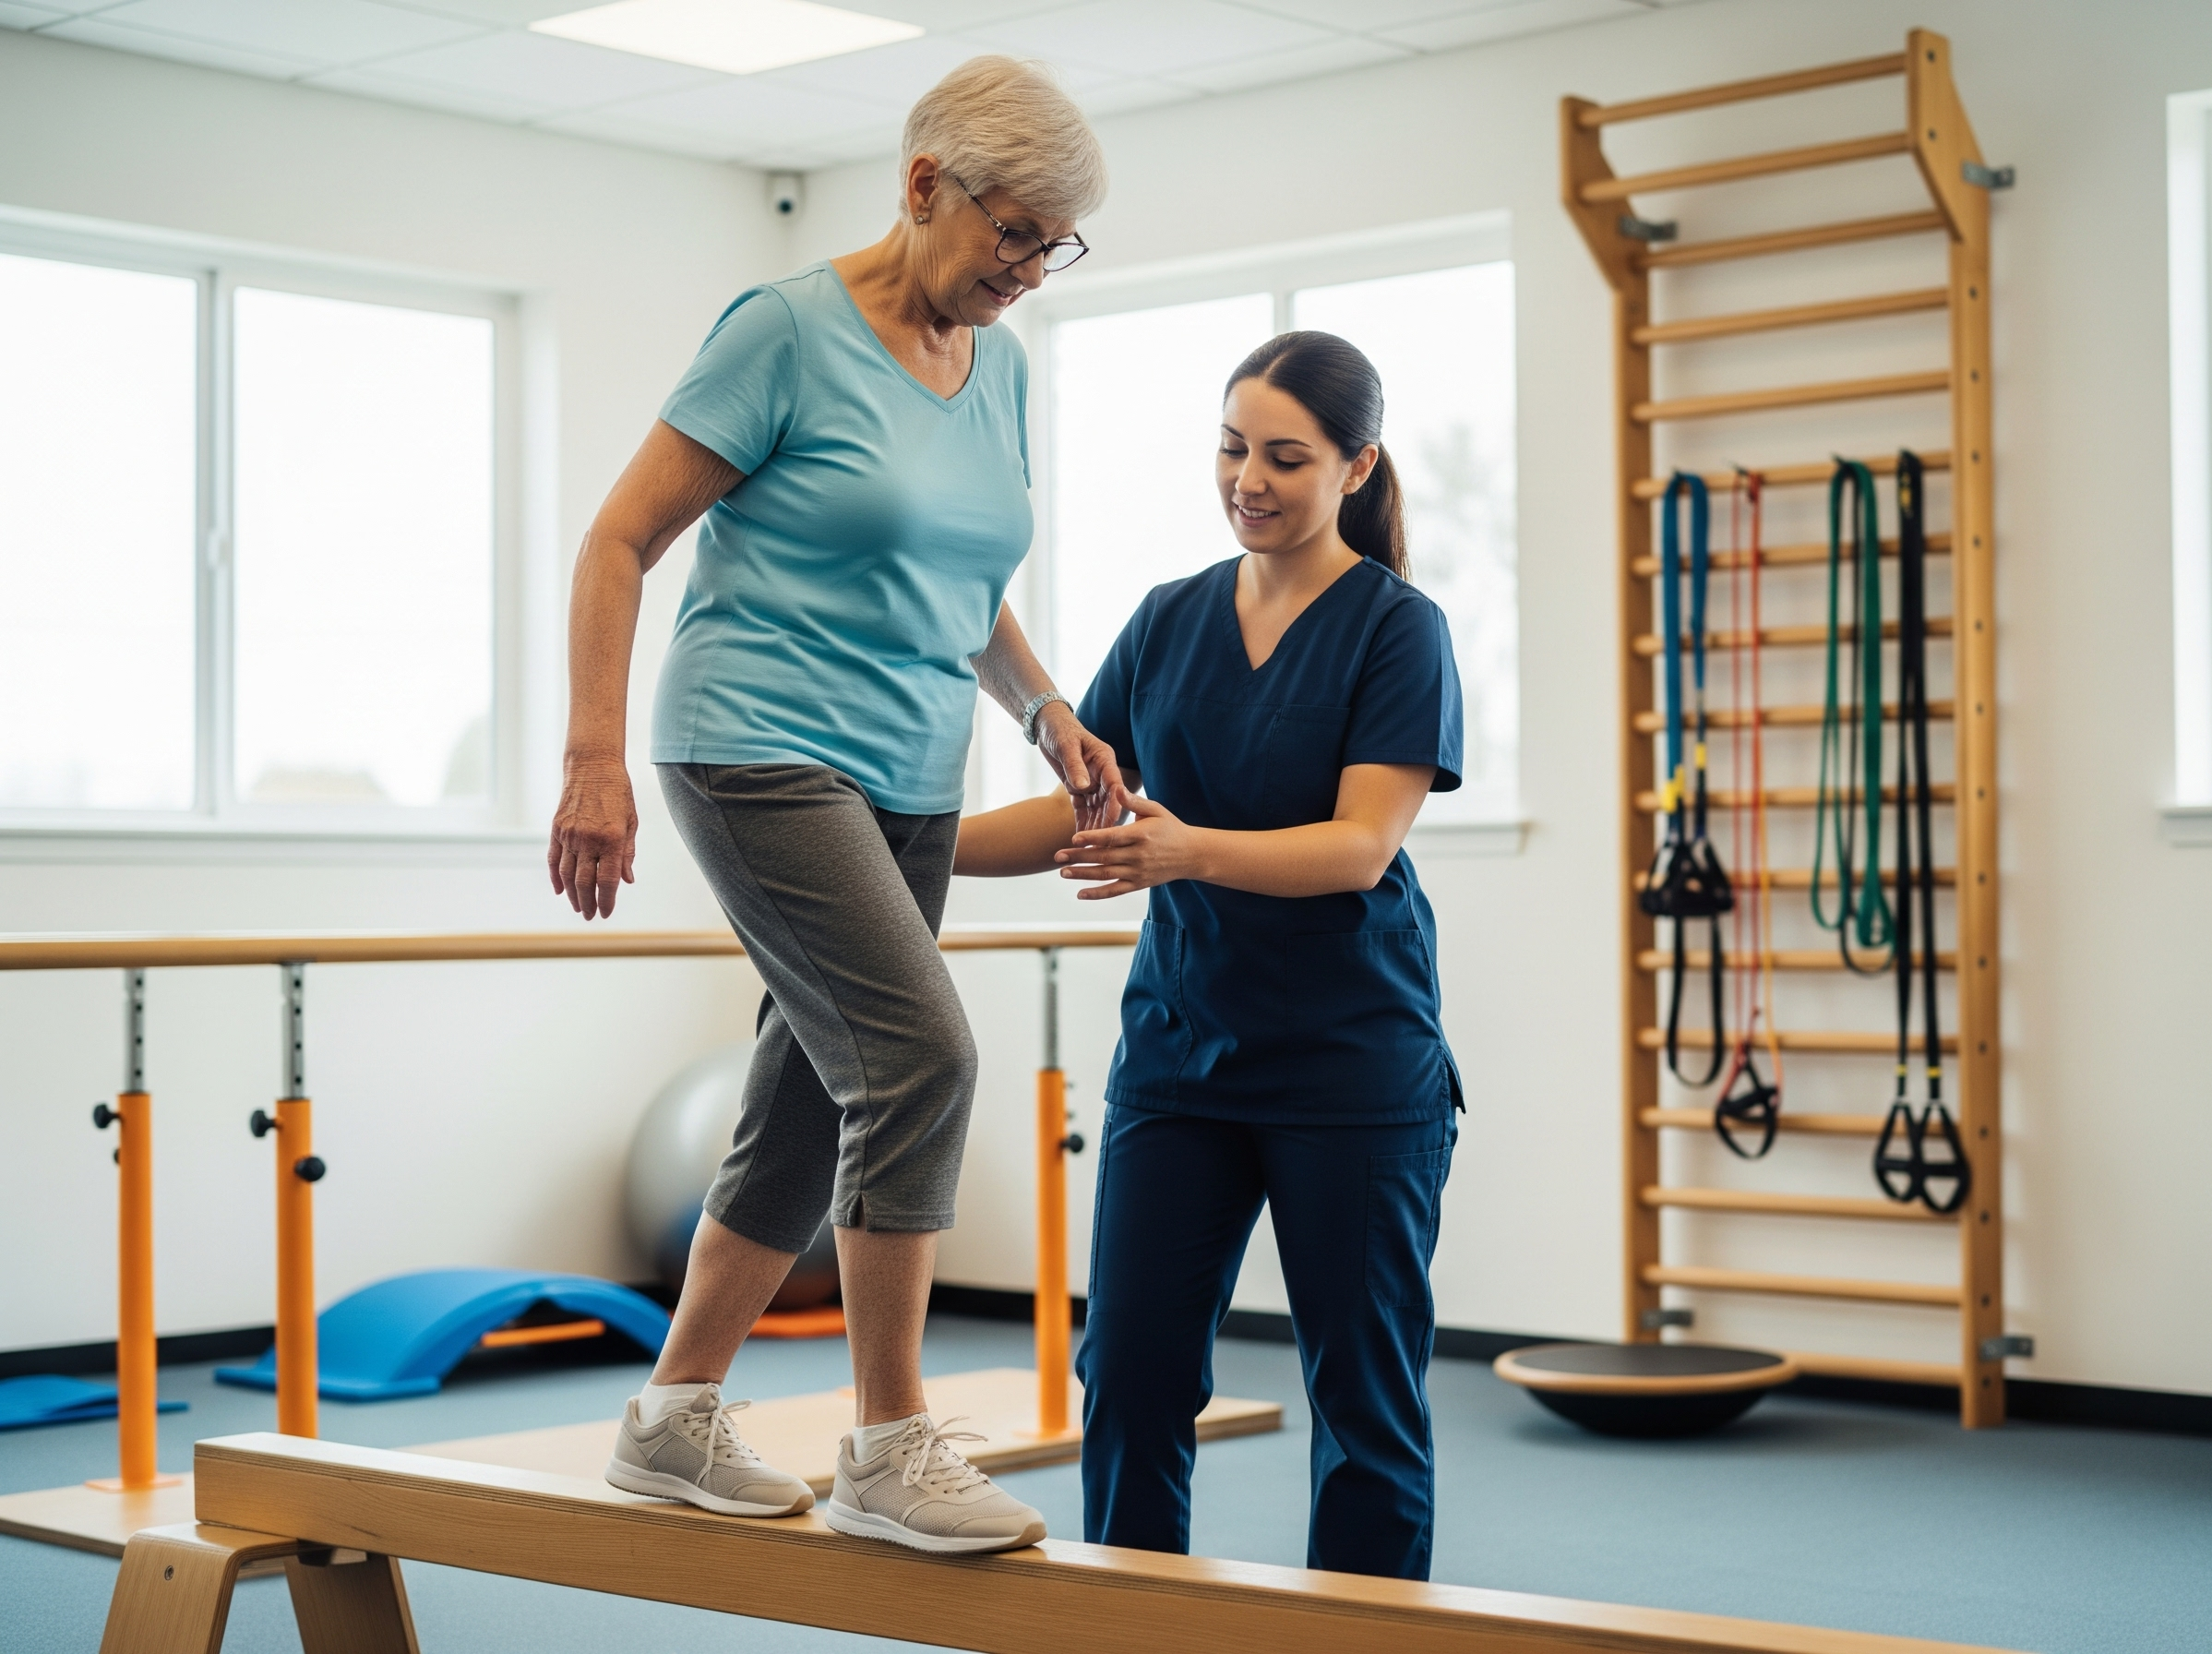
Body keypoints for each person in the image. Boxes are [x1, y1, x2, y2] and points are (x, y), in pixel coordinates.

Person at [546, 56, 1117, 1555]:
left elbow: (969, 582)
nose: (1029, 270)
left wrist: (1045, 711)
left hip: (913, 772)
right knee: (923, 1057)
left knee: (809, 1099)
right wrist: (592, 759)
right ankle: (888, 1445)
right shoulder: (783, 334)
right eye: (1016, 233)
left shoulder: (1003, 370)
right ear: (925, 184)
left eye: (1056, 245)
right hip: (755, 745)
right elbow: (619, 540)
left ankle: (671, 1417)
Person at [954, 330, 1465, 1579]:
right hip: (1183, 1061)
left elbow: (1357, 847)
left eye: (1287, 457)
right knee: (1127, 1375)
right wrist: (906, 846)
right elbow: (1090, 803)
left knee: (1364, 1404)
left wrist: (1187, 853)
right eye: (1232, 447)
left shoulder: (1400, 630)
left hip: (1353, 1069)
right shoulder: (1170, 617)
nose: (1251, 477)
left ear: (1357, 467)